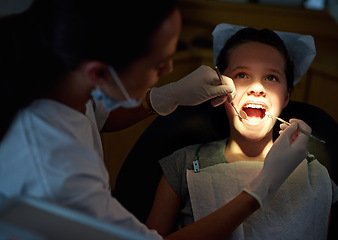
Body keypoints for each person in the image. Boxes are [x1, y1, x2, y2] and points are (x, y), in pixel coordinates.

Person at [0, 1, 310, 239]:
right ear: (98, 73)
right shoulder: (54, 175)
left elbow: (95, 115)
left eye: (271, 78)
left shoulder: (68, 82)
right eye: (159, 64)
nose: (168, 69)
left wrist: (163, 96)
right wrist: (262, 189)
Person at [146, 26, 338, 239]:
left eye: (271, 78)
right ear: (219, 88)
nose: (257, 87)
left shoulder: (315, 175)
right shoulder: (183, 165)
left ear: (287, 97)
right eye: (242, 74)